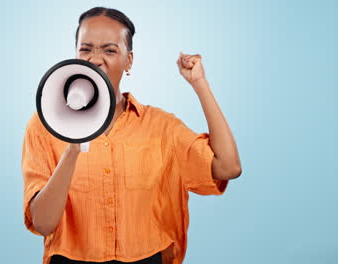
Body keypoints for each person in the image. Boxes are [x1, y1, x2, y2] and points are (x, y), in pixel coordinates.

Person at [22, 7, 242, 264]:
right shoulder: (44, 125)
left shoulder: (161, 127)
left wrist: (199, 83)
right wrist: (73, 148)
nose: (95, 59)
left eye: (110, 50)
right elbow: (44, 224)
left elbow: (228, 167)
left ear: (129, 61)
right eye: (85, 49)